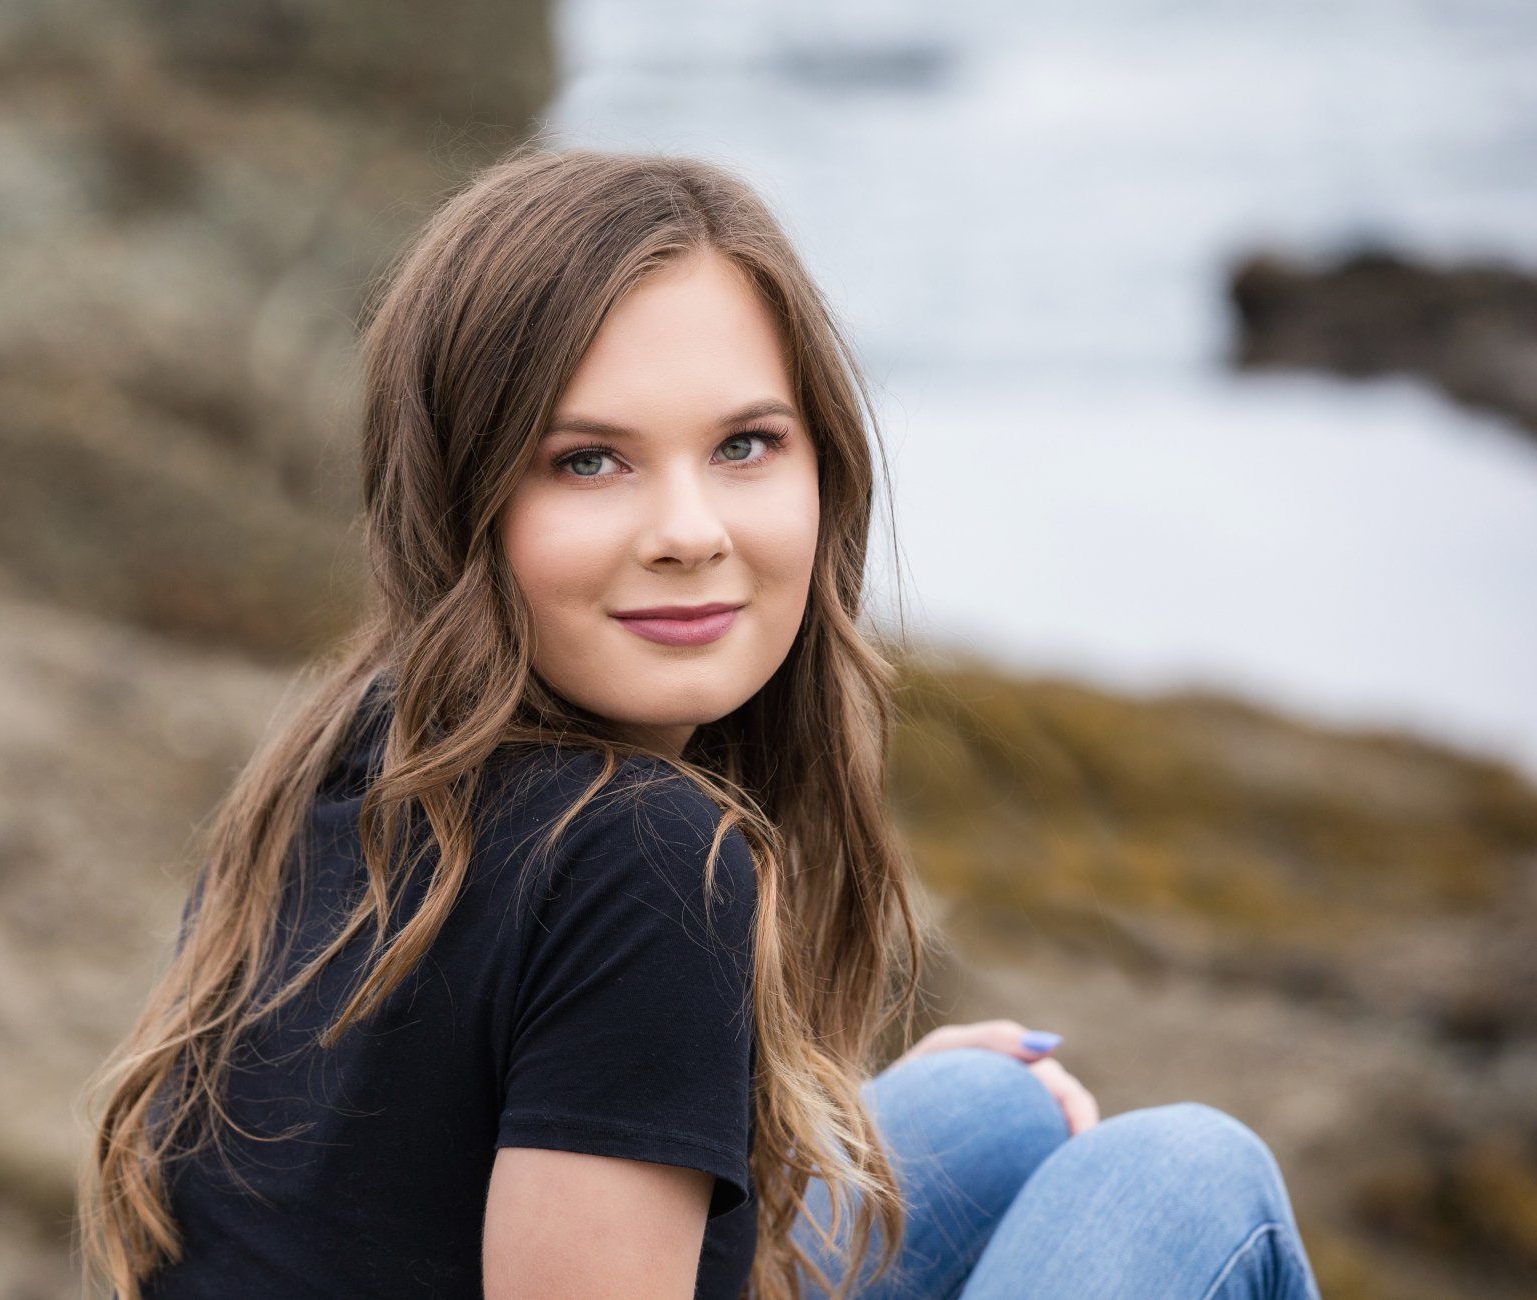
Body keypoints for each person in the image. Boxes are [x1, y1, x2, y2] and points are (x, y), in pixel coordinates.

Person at [75, 144, 1323, 1300]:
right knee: (1190, 1178)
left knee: (997, 1112)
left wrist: (834, 1117)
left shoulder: (346, 745)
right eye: (588, 460)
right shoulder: (646, 856)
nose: (690, 530)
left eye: (743, 444)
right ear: (462, 500)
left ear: (823, 461)